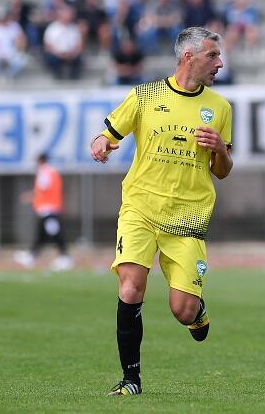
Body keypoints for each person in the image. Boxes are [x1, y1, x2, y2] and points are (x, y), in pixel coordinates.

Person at [90, 27, 232, 396]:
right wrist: (101, 143)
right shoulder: (145, 95)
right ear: (189, 57)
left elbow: (222, 170)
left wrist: (221, 148)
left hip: (188, 217)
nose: (219, 63)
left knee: (182, 310)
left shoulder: (219, 108)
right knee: (131, 286)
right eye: (212, 56)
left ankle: (196, 312)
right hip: (140, 207)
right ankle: (130, 380)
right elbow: (107, 133)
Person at [14, 153, 72, 271]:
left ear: (40, 161)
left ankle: (65, 257)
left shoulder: (44, 172)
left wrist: (28, 196)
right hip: (52, 207)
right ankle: (32, 255)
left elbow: (42, 188)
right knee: (43, 234)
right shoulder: (53, 171)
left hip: (47, 208)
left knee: (54, 233)